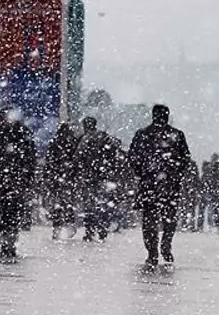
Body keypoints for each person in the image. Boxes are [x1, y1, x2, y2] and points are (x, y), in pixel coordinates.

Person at [127, 104, 193, 268]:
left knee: (149, 220)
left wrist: (143, 173)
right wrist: (175, 173)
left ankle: (152, 252)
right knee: (169, 217)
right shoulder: (176, 135)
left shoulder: (142, 134)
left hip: (149, 184)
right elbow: (185, 158)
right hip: (170, 184)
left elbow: (133, 157)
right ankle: (165, 244)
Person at [0, 109, 36, 259]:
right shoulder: (12, 134)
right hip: (7, 182)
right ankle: (7, 241)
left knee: (6, 213)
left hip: (6, 181)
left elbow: (30, 158)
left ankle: (8, 241)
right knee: (5, 214)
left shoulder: (7, 134)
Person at [73, 116, 121, 242]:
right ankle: (102, 230)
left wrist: (78, 171)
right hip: (103, 176)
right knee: (102, 203)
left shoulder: (85, 139)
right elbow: (116, 148)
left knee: (89, 205)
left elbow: (77, 158)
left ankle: (90, 231)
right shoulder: (104, 136)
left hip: (89, 177)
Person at [44, 122, 79, 239]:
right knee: (67, 204)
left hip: (57, 178)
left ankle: (57, 228)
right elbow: (76, 161)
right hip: (67, 178)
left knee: (58, 204)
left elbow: (49, 162)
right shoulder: (72, 143)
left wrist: (49, 176)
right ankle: (68, 225)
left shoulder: (55, 143)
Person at [199, 154, 219, 230]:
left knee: (213, 210)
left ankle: (211, 225)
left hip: (211, 192)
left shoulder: (209, 170)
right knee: (213, 210)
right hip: (210, 192)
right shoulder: (209, 170)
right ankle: (212, 225)